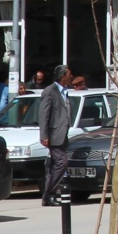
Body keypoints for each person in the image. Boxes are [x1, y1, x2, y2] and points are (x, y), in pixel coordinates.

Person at [36, 64, 73, 207]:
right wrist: (44, 135)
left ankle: (48, 196)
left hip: (62, 134)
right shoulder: (50, 91)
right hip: (54, 134)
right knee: (62, 162)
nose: (71, 77)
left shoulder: (65, 91)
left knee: (53, 166)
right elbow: (44, 115)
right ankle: (49, 193)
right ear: (63, 76)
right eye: (69, 74)